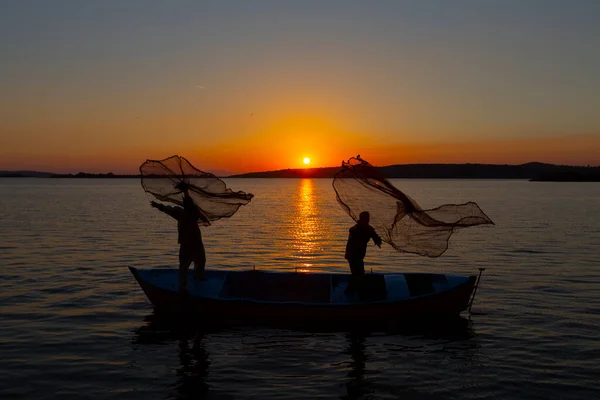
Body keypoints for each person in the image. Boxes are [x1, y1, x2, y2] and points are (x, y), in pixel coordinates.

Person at [150, 183, 209, 293]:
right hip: (186, 243)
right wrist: (157, 205)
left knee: (201, 260)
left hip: (196, 241)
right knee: (184, 264)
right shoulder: (180, 212)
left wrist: (185, 191)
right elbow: (167, 209)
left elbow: (199, 213)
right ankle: (183, 286)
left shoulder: (194, 212)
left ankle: (198, 276)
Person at [344, 211, 382, 298]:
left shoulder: (369, 229)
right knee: (357, 274)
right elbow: (352, 230)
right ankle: (353, 293)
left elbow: (375, 237)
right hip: (352, 255)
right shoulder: (355, 229)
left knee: (359, 274)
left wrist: (378, 241)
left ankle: (354, 291)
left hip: (359, 255)